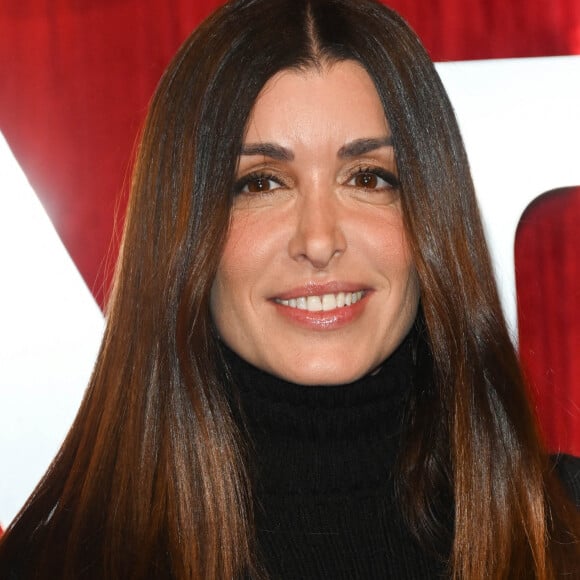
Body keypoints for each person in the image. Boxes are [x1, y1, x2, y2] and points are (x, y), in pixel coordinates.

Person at [1, 0, 579, 578]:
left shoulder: (566, 532)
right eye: (261, 183)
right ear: (181, 232)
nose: (320, 239)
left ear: (432, 213)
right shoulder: (56, 565)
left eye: (369, 177)